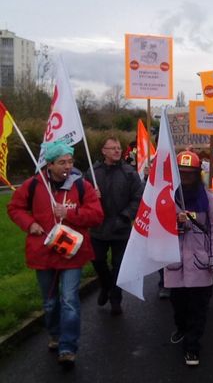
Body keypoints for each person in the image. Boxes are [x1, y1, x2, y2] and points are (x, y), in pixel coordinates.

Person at [7, 141, 103, 369]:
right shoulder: (33, 185)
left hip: (72, 255)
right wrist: (29, 224)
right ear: (49, 164)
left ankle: (68, 347)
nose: (67, 166)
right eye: (61, 162)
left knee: (70, 300)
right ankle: (55, 334)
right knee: (50, 304)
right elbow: (14, 208)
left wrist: (70, 213)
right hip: (44, 253)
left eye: (70, 162)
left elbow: (97, 215)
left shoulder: (82, 186)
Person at [165, 150, 213, 366]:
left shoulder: (207, 196)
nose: (187, 176)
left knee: (199, 307)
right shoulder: (168, 195)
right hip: (176, 260)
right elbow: (159, 227)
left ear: (197, 173)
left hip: (201, 260)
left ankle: (192, 346)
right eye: (182, 172)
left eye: (191, 173)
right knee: (178, 304)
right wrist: (176, 221)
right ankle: (181, 327)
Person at [86, 137, 143, 316]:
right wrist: (90, 195)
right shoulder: (92, 172)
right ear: (103, 151)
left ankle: (115, 298)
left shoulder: (129, 172)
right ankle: (105, 285)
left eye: (118, 148)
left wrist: (125, 216)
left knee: (119, 266)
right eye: (112, 148)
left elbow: (138, 198)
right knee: (98, 260)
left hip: (121, 227)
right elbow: (80, 196)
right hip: (98, 227)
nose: (117, 151)